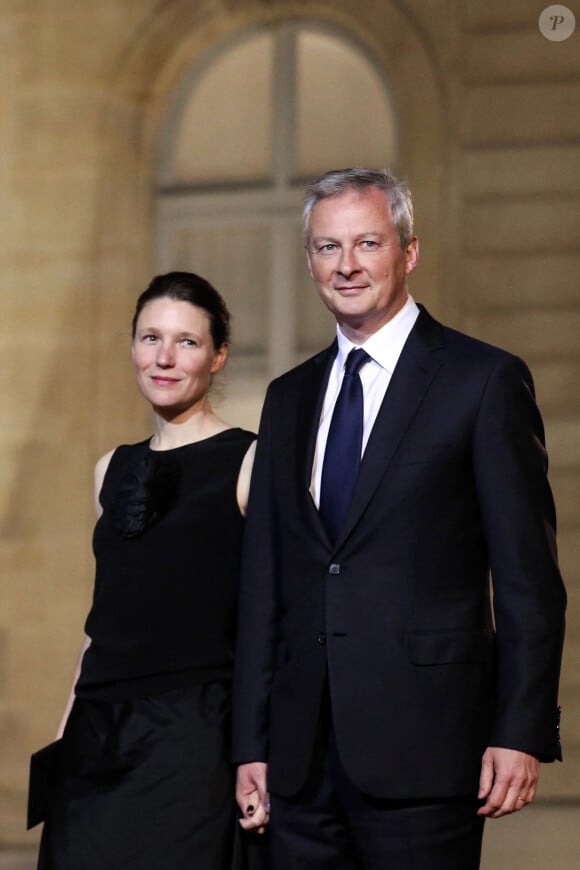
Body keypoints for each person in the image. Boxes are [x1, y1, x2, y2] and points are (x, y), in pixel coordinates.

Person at [232, 168, 566, 869]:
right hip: (297, 765)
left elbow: (528, 577)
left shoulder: (482, 381)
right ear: (310, 260)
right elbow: (265, 584)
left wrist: (521, 729)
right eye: (327, 247)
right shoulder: (287, 399)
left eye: (367, 243)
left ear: (409, 252)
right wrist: (251, 745)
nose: (346, 265)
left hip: (427, 752)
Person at [33, 272, 258, 869]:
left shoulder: (249, 460)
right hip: (95, 735)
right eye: (149, 337)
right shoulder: (112, 468)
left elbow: (276, 615)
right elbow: (106, 615)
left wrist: (258, 752)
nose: (163, 357)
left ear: (218, 356)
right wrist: (65, 729)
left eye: (186, 342)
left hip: (193, 736)